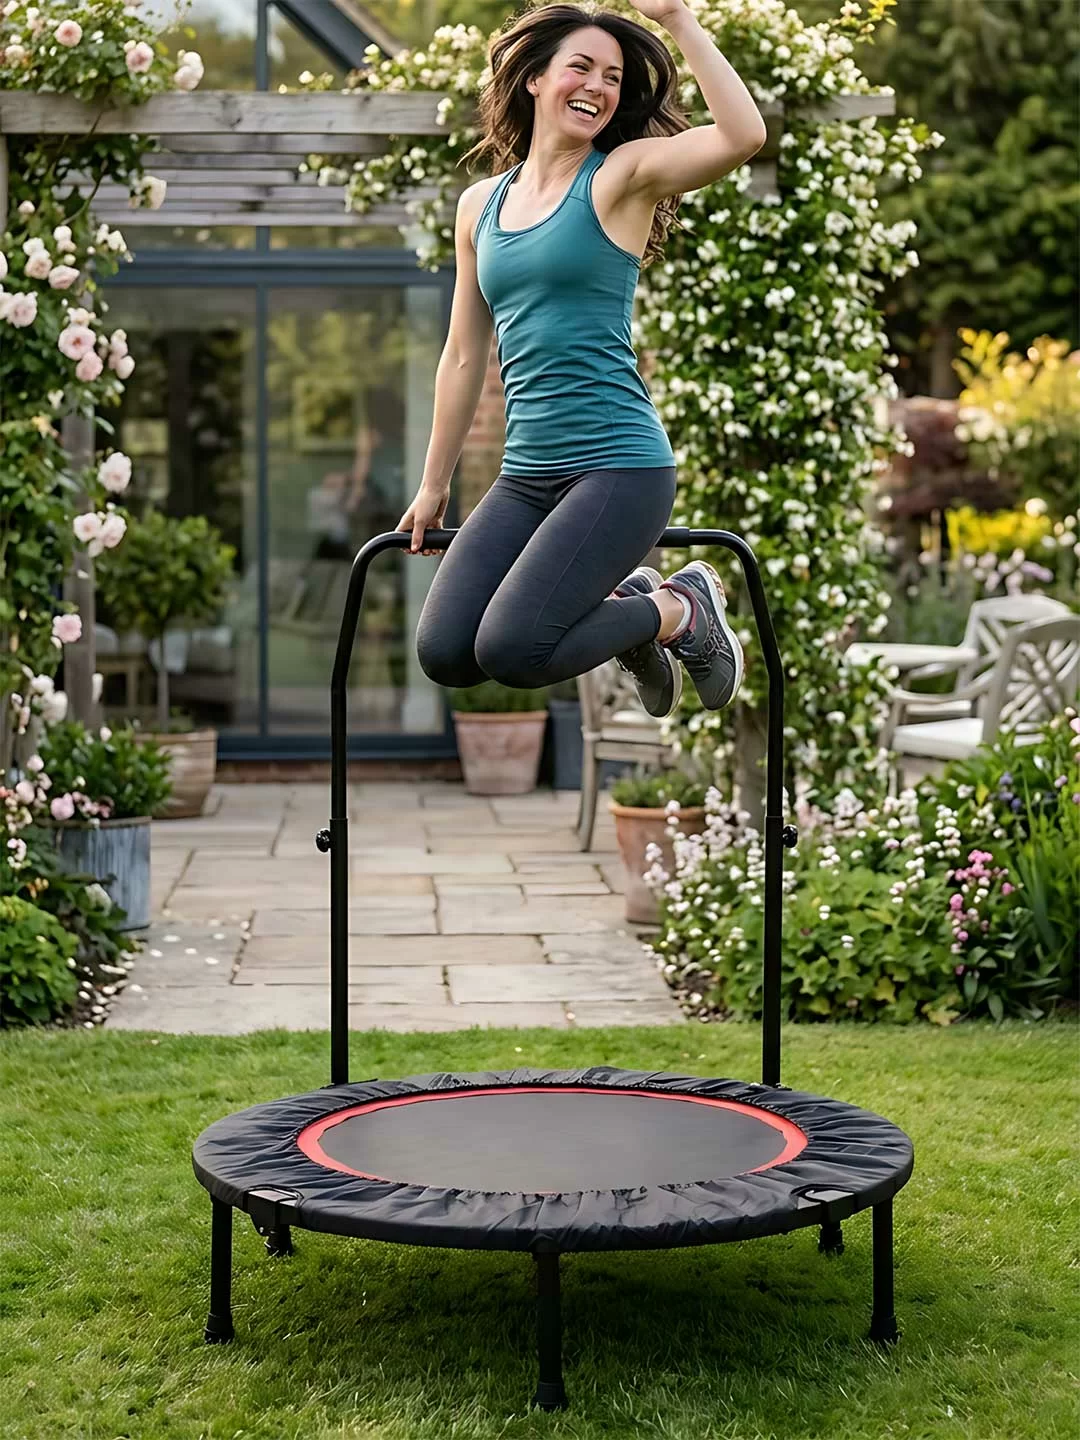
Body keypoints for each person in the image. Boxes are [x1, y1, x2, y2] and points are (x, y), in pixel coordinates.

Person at [398, 1, 767, 718]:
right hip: (526, 475)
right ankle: (633, 601)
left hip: (619, 468)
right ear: (535, 78)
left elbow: (743, 135)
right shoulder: (479, 206)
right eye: (581, 67)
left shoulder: (621, 176)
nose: (598, 86)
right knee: (445, 651)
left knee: (513, 648)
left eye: (613, 77)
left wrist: (679, 21)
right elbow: (464, 355)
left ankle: (676, 610)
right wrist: (433, 484)